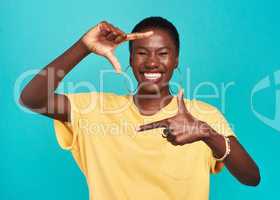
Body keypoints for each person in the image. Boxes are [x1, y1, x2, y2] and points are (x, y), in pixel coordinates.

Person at [20, 16, 260, 200]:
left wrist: (208, 134)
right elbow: (32, 99)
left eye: (163, 53)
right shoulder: (95, 109)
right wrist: (84, 46)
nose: (152, 62)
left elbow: (251, 177)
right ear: (131, 60)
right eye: (142, 53)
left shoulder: (204, 115)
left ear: (176, 60)